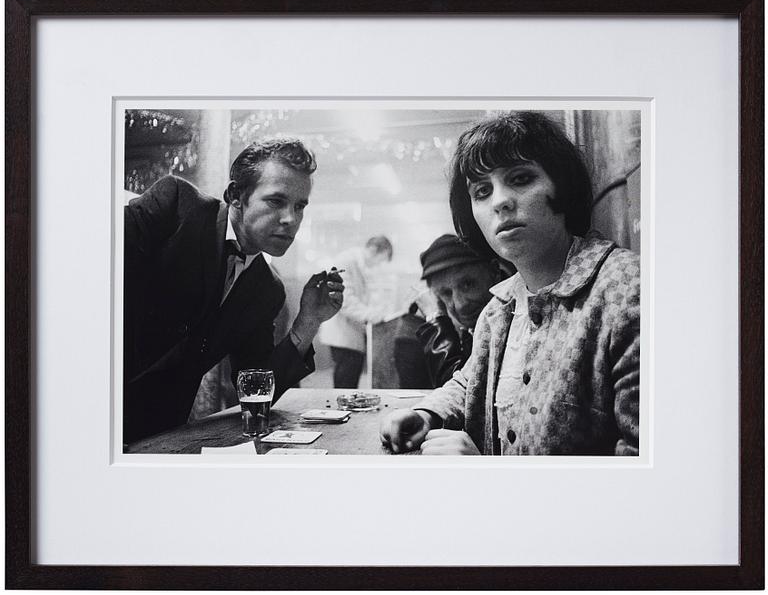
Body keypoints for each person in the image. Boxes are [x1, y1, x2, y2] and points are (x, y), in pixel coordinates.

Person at [380, 111, 640, 455]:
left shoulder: (628, 290)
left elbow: (644, 471)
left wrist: (489, 476)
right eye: (482, 191)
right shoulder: (500, 308)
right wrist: (426, 413)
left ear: (561, 187)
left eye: (520, 178)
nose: (500, 201)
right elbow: (469, 381)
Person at [124, 138, 345, 443]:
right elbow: (94, 285)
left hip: (160, 435)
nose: (290, 220)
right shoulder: (175, 204)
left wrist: (308, 322)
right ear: (236, 196)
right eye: (276, 201)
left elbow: (254, 388)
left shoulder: (268, 290)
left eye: (299, 206)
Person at [410, 234, 504, 387]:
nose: (460, 304)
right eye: (446, 293)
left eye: (468, 284)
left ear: (494, 272)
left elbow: (466, 395)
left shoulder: (516, 320)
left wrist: (436, 319)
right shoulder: (473, 331)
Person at [318, 236, 393, 388]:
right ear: (373, 250)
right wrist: (373, 315)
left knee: (350, 379)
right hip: (343, 335)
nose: (378, 264)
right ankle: (341, 411)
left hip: (350, 333)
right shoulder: (345, 261)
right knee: (345, 382)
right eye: (381, 259)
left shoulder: (357, 263)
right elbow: (344, 301)